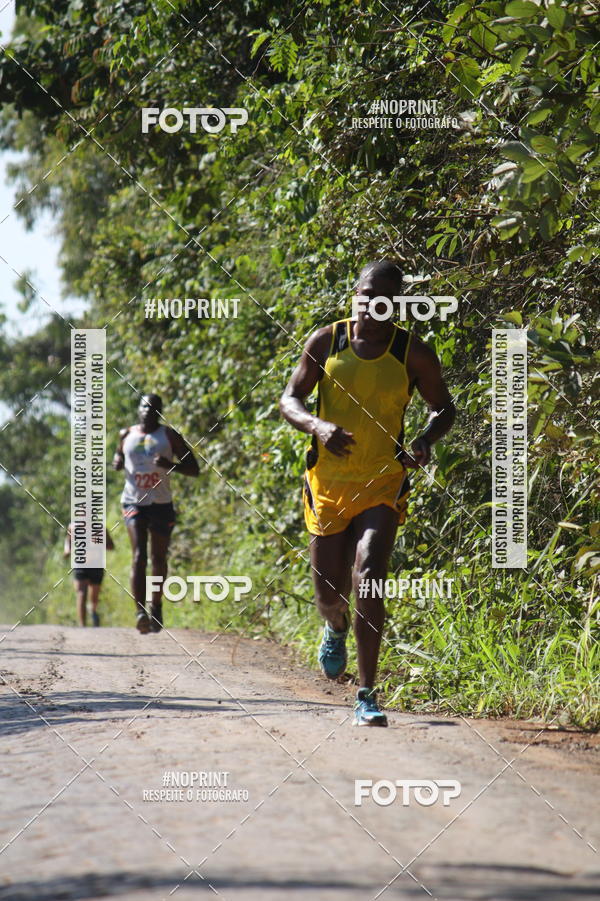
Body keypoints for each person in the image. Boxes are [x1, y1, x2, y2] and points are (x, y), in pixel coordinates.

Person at [280, 261, 456, 726]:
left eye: (387, 299)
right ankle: (334, 626)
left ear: (397, 305)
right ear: (355, 295)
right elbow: (290, 399)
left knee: (371, 572)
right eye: (368, 295)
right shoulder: (327, 341)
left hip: (383, 482)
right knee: (328, 592)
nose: (375, 305)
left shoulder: (413, 353)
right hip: (328, 485)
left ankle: (367, 693)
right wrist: (317, 425)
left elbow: (443, 408)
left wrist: (424, 440)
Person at [112, 394, 199, 633]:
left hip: (161, 503)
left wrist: (170, 465)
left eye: (154, 408)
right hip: (133, 502)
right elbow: (118, 456)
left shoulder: (169, 436)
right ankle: (139, 611)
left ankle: (156, 606)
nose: (148, 411)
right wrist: (117, 462)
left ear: (160, 412)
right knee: (139, 555)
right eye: (144, 406)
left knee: (158, 559)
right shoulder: (126, 435)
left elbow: (194, 469)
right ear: (138, 409)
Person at [63, 524, 114, 627]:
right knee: (81, 593)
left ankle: (93, 611)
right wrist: (67, 550)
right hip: (80, 565)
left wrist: (99, 543)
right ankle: (83, 625)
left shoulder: (100, 528)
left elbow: (111, 546)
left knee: (94, 597)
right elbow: (68, 540)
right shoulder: (73, 527)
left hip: (96, 565)